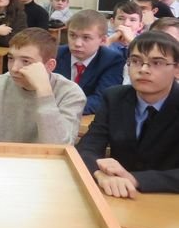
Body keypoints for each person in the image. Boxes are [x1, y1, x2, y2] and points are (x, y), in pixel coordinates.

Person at [77, 31, 179, 197]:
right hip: (117, 195)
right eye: (136, 61)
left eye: (157, 63)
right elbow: (87, 148)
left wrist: (134, 179)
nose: (143, 69)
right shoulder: (114, 97)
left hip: (168, 200)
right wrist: (99, 173)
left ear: (177, 69)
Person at [54, 10, 124, 115]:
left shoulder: (112, 61)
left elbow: (102, 99)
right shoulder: (55, 54)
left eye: (86, 37)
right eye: (72, 35)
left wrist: (62, 108)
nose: (77, 43)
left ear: (102, 40)